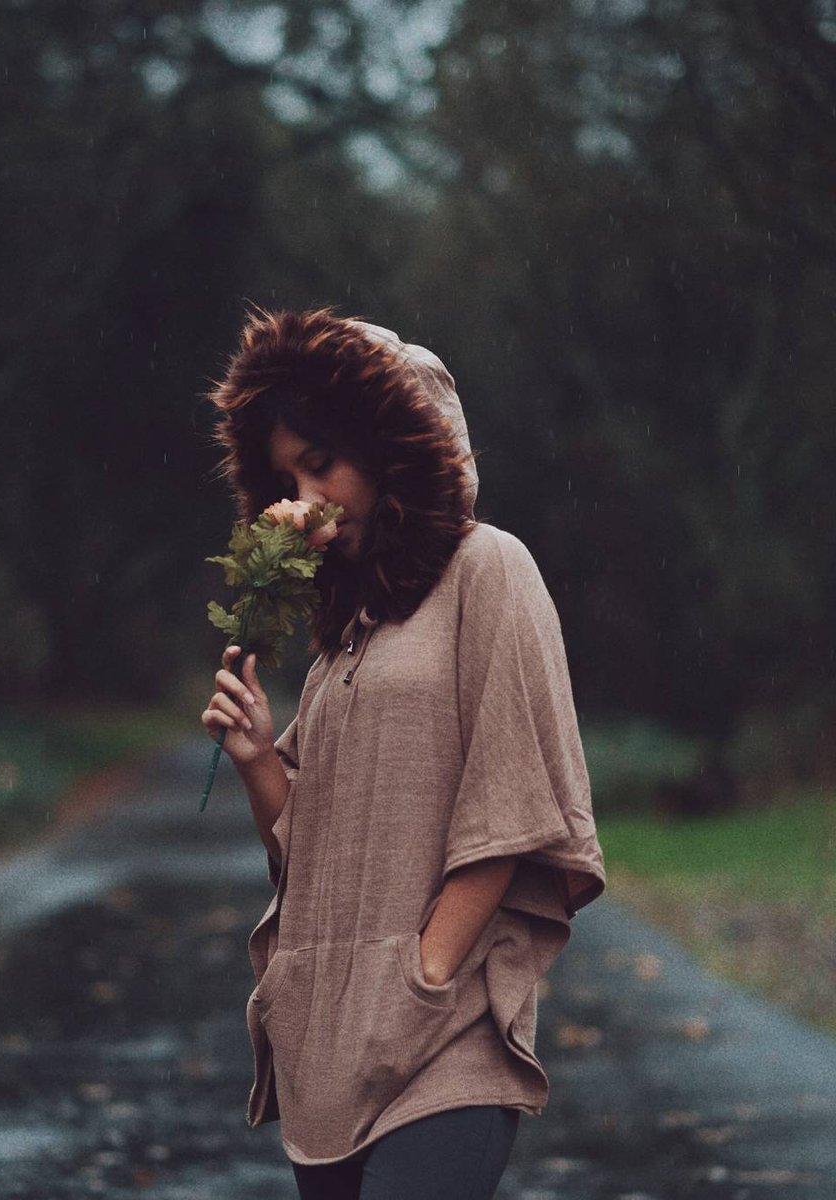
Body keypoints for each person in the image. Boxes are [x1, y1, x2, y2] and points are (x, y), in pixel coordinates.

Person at [201, 305, 606, 1200]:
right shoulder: (347, 631)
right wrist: (260, 759)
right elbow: (314, 852)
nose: (305, 497)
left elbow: (511, 801)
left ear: (391, 446)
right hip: (329, 1049)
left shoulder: (488, 568)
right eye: (287, 477)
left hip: (444, 1041)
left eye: (322, 463)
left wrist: (425, 975)